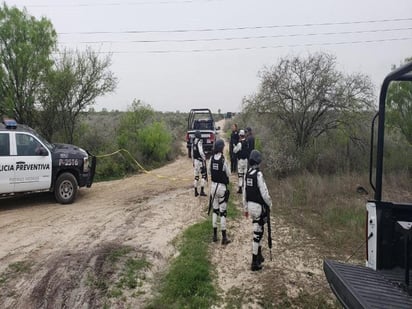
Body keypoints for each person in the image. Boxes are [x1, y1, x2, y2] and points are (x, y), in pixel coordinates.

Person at [243, 149, 273, 271]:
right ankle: (254, 262)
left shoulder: (248, 174)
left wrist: (245, 207)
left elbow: (244, 193)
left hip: (250, 206)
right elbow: (264, 193)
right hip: (258, 207)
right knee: (257, 234)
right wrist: (270, 204)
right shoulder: (258, 175)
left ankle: (259, 256)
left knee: (258, 230)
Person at [209, 139, 231, 245]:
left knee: (215, 211)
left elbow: (209, 172)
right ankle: (224, 237)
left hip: (213, 186)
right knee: (223, 212)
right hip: (221, 187)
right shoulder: (223, 159)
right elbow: (229, 173)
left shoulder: (211, 159)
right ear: (221, 147)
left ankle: (214, 235)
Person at [191, 130, 207, 197]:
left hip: (195, 161)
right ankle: (202, 191)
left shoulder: (193, 142)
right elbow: (201, 152)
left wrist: (193, 162)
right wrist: (204, 158)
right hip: (200, 161)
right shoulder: (199, 142)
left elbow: (192, 153)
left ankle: (195, 192)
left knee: (196, 177)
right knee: (203, 176)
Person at [233, 129, 248, 194]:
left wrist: (235, 146)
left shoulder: (240, 143)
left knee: (240, 175)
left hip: (241, 161)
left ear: (240, 136)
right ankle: (245, 187)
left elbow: (235, 151)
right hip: (246, 160)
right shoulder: (247, 142)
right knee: (245, 174)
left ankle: (240, 188)